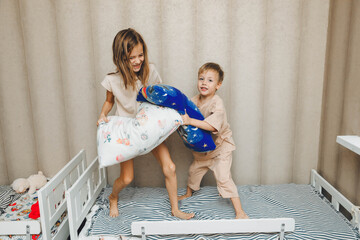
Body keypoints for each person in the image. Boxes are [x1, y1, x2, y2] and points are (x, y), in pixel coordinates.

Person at [97, 28, 194, 220]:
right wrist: (102, 114)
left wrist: (177, 115)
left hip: (148, 125)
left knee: (170, 167)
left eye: (140, 55)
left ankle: (175, 209)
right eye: (131, 57)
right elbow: (109, 101)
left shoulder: (150, 71)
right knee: (127, 178)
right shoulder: (112, 80)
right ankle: (113, 197)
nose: (137, 60)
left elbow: (161, 97)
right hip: (127, 131)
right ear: (120, 58)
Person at [178, 62, 249, 219]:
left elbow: (211, 126)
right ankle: (188, 194)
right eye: (201, 78)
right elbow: (182, 108)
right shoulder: (194, 100)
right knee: (193, 171)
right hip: (204, 150)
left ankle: (240, 212)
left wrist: (189, 121)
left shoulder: (217, 103)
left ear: (218, 85)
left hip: (220, 148)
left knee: (223, 178)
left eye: (210, 80)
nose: (204, 83)